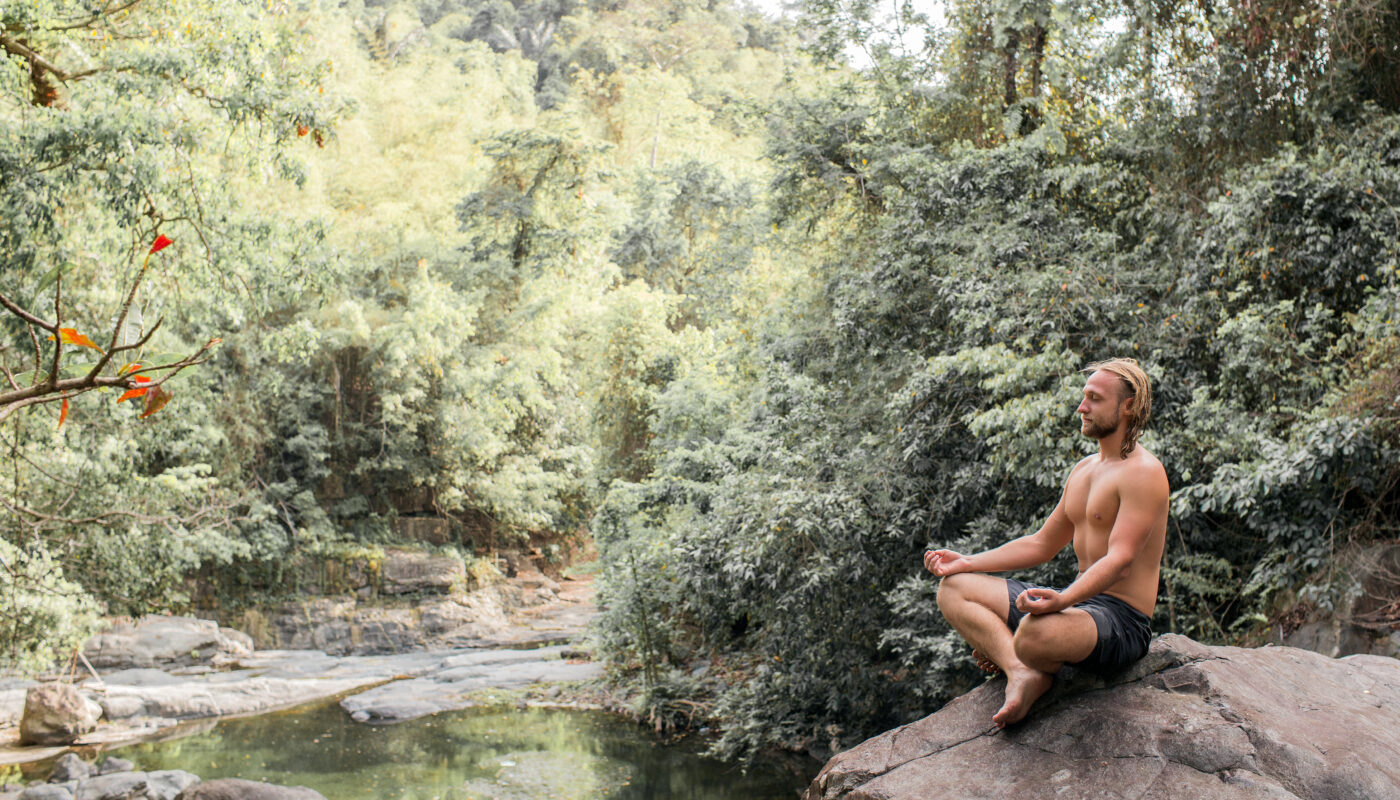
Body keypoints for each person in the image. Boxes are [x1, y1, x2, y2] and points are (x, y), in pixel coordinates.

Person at [923, 358, 1169, 728]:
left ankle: (1021, 652)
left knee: (1034, 633)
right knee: (953, 589)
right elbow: (1041, 543)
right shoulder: (1084, 470)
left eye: (1094, 399)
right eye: (1083, 397)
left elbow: (1120, 560)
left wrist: (1062, 600)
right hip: (1078, 607)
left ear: (1128, 406)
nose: (1081, 407)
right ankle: (1021, 671)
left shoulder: (1144, 473)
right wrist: (966, 562)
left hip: (1121, 622)